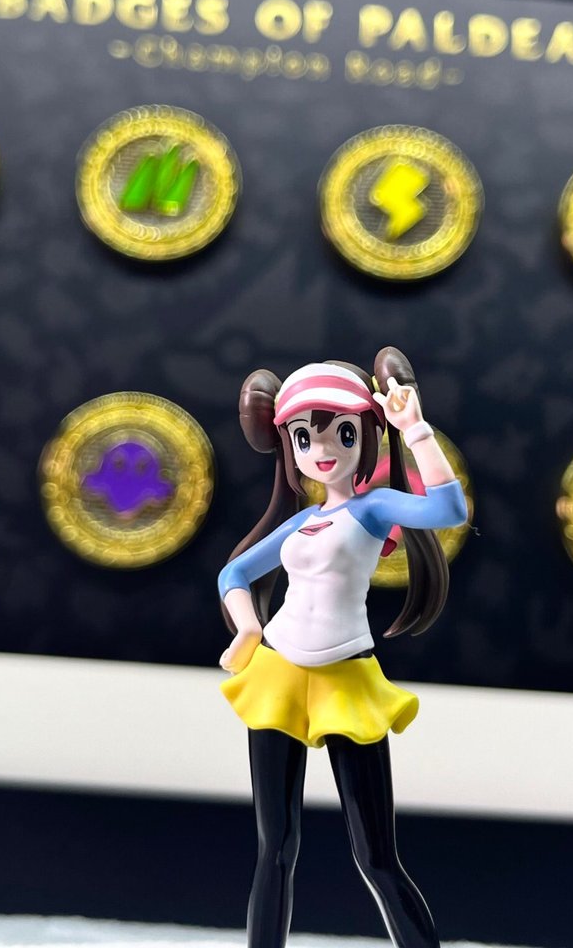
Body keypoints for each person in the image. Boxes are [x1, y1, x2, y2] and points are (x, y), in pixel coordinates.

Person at [217, 346, 467, 948]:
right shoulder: (299, 522)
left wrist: (415, 429)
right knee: (275, 847)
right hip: (277, 672)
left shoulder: (373, 508)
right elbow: (233, 574)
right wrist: (248, 628)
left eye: (342, 433)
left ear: (366, 437)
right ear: (289, 446)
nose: (322, 450)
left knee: (375, 855)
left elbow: (448, 508)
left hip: (345, 678)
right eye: (304, 437)